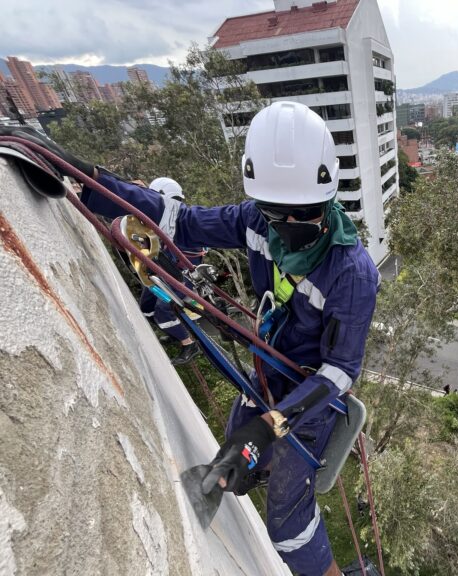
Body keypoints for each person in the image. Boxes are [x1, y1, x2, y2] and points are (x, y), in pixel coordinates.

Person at [5, 103, 379, 576]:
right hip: (267, 375)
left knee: (286, 524)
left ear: (327, 196)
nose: (286, 226)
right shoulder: (256, 222)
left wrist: (271, 424)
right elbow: (175, 219)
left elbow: (340, 371)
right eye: (276, 214)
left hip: (309, 400)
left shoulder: (351, 273)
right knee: (232, 442)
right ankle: (252, 463)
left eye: (301, 214)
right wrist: (85, 176)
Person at [138, 177, 206, 365]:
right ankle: (169, 331)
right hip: (166, 272)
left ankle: (188, 343)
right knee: (146, 304)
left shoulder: (183, 221)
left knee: (163, 307)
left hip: (182, 277)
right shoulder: (170, 218)